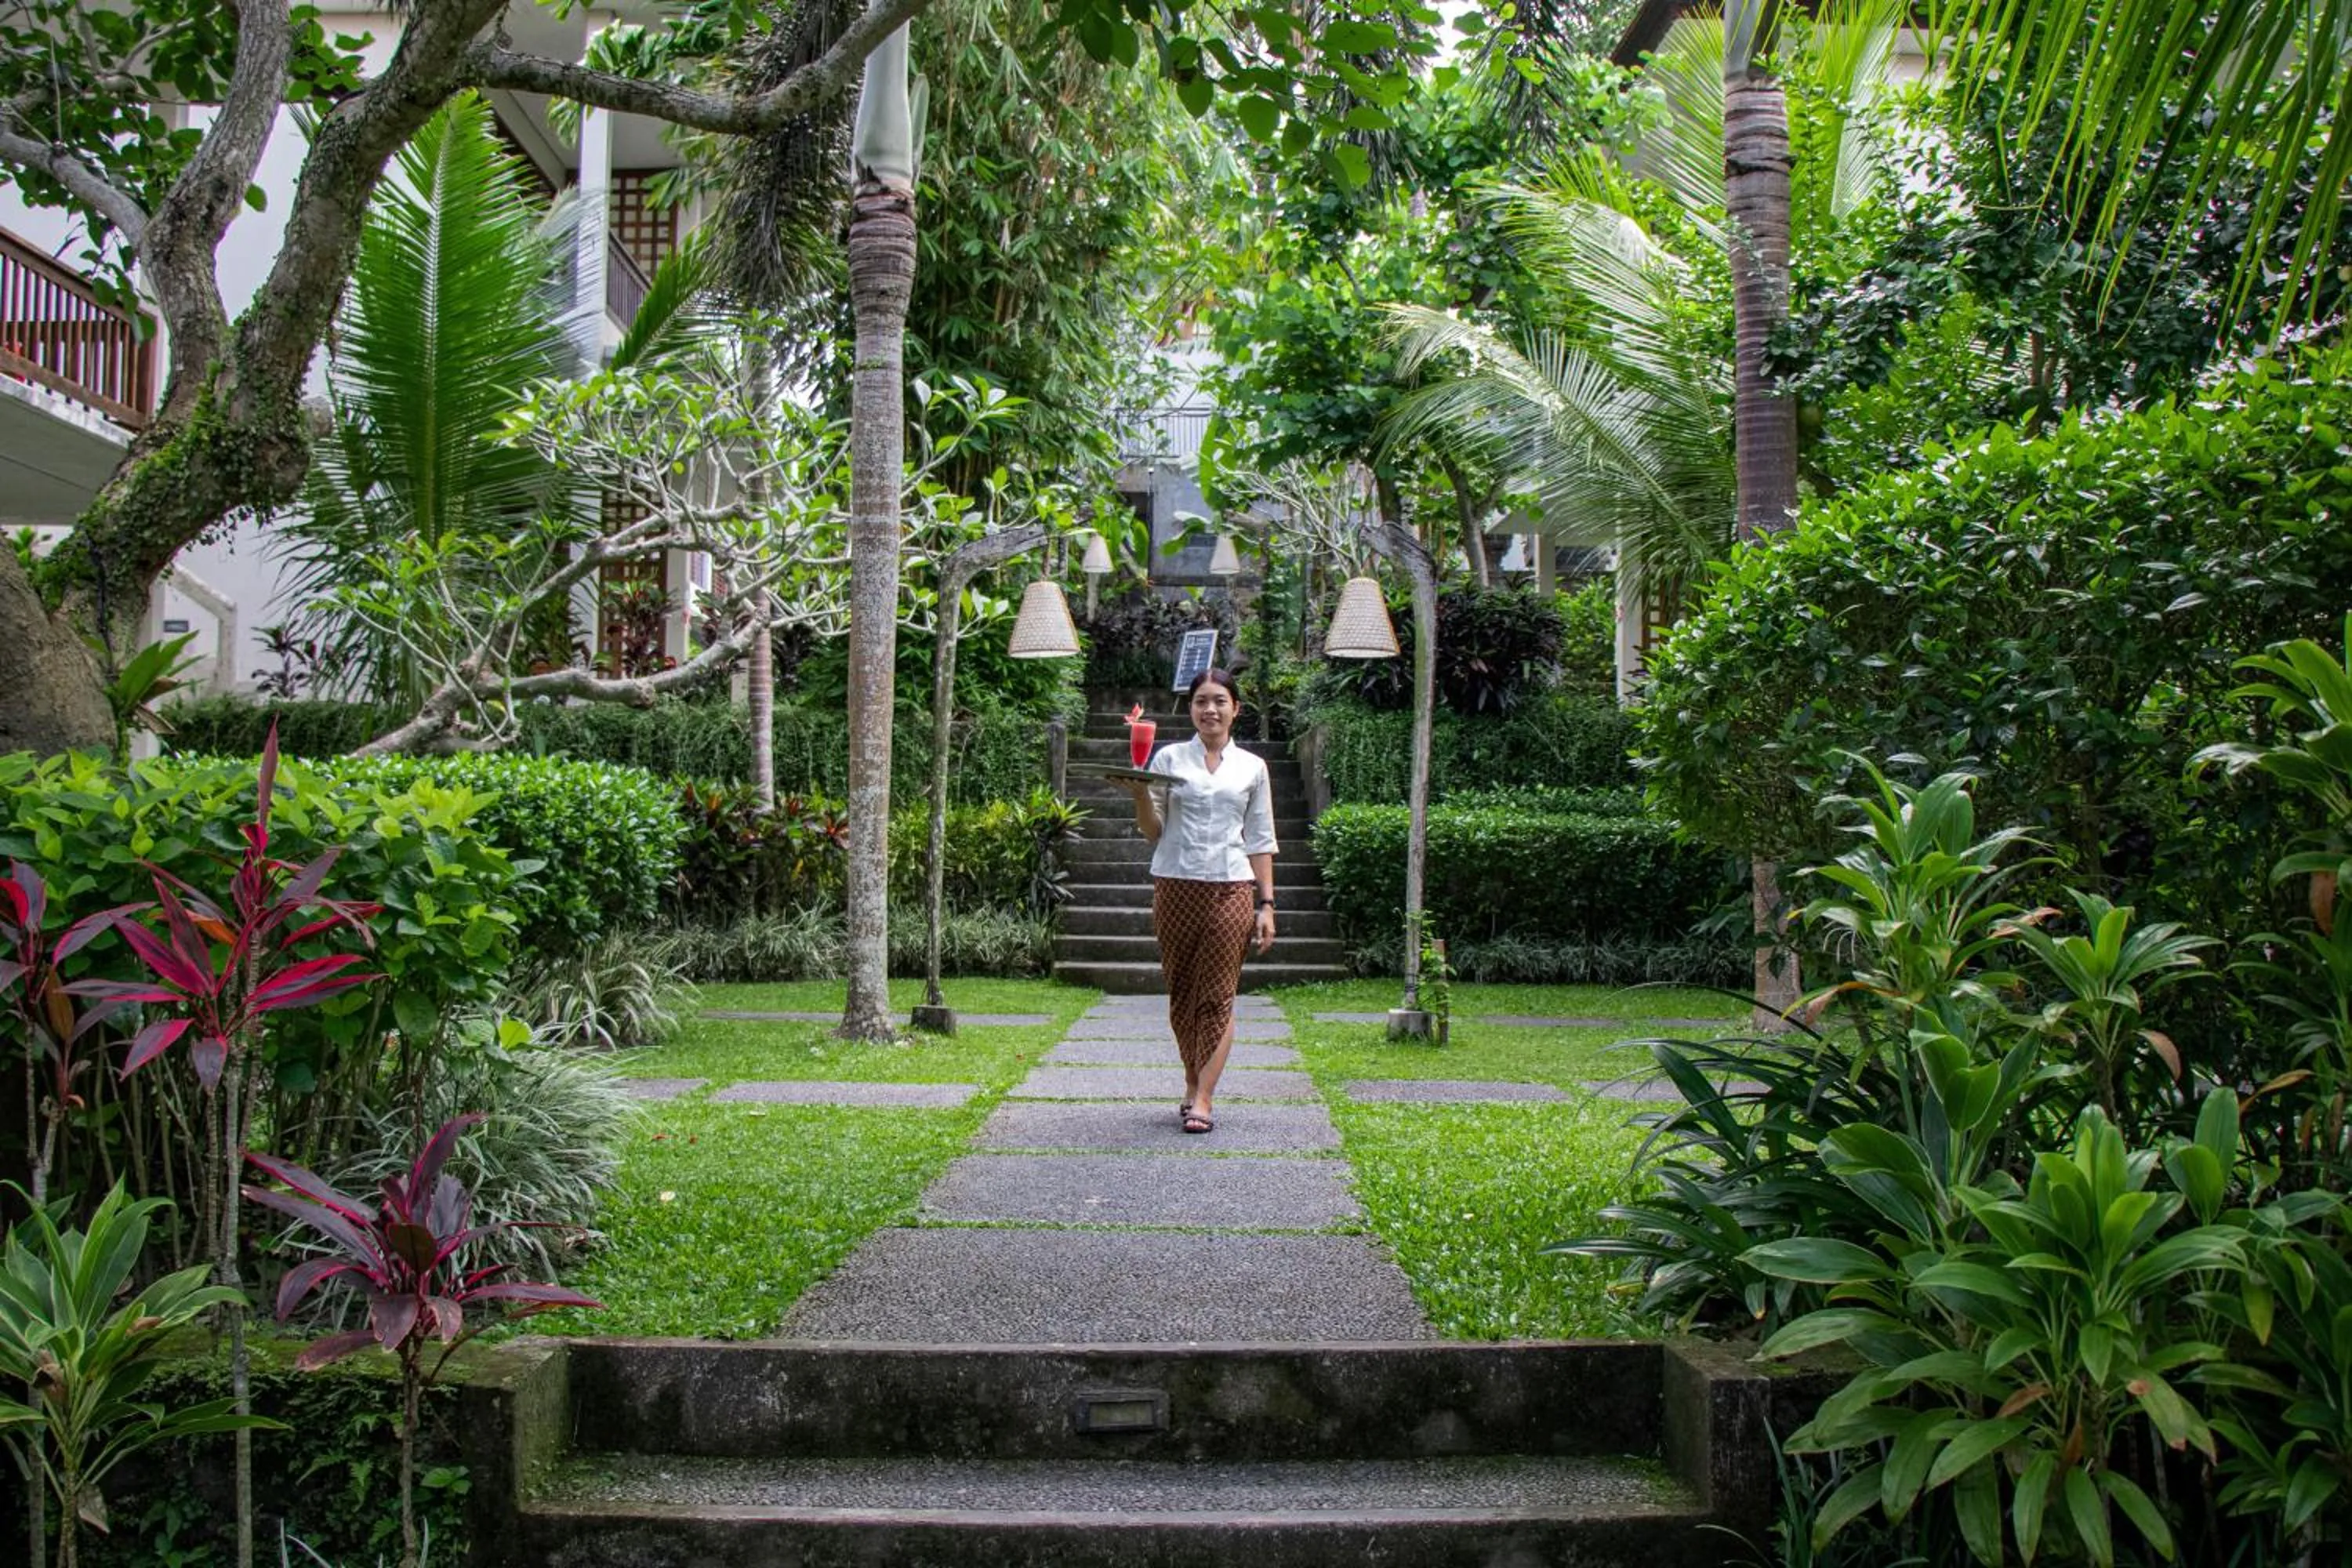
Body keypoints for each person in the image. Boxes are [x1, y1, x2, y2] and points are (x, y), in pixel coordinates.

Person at [1116, 668, 1276, 1134]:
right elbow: (1154, 831)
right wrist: (1142, 794)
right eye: (1202, 700)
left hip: (1231, 887)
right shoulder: (1167, 758)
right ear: (1191, 708)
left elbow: (1261, 839)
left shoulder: (1252, 767)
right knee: (1183, 992)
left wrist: (1265, 905)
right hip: (1175, 884)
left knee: (1219, 994)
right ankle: (1191, 1082)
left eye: (1220, 701)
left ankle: (1203, 1098)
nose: (1211, 709)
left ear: (1235, 709)